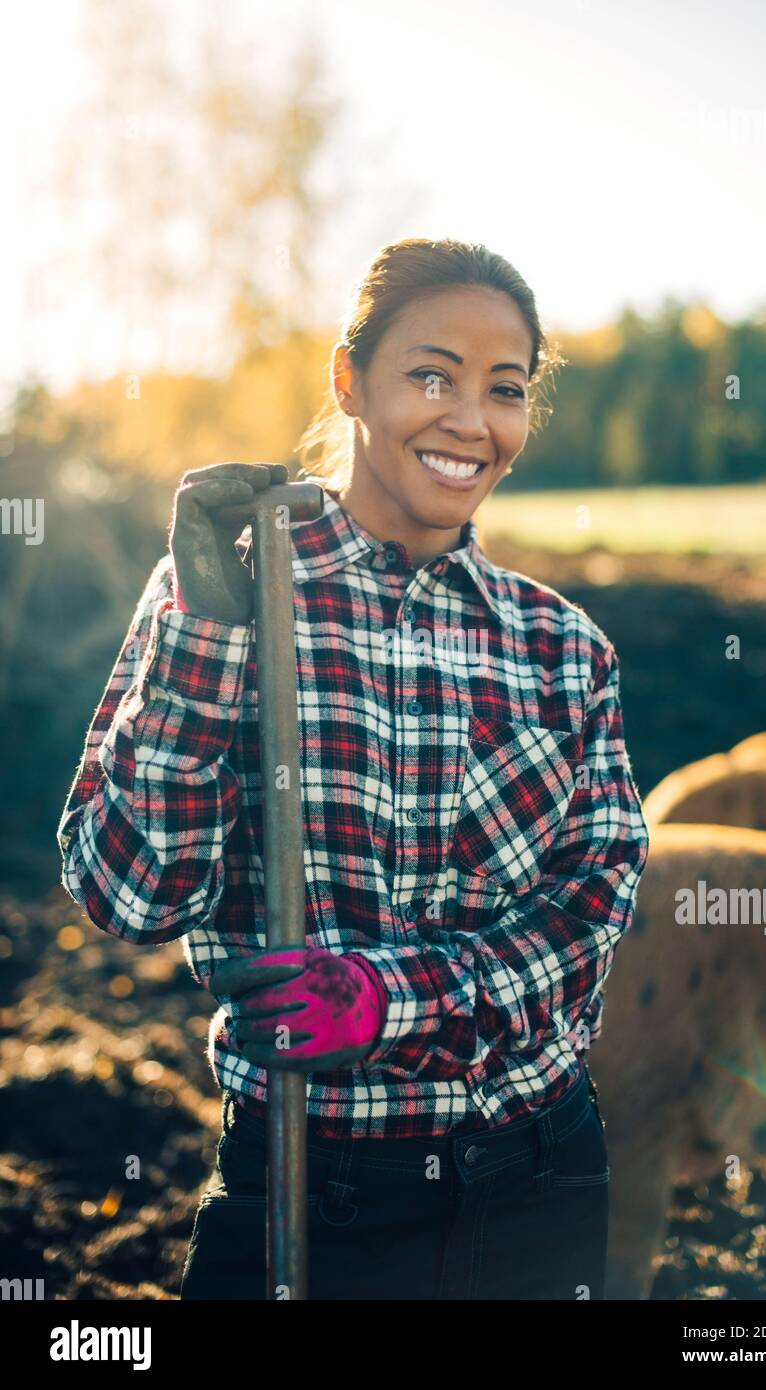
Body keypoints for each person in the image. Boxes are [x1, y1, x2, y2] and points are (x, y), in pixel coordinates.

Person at [57, 237, 650, 1300]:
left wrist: (395, 998)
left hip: (539, 1180)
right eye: (432, 374)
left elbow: (592, 911)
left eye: (504, 390)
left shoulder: (562, 647)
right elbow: (132, 895)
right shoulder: (238, 592)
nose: (471, 419)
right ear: (349, 378)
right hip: (310, 1191)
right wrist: (207, 641)